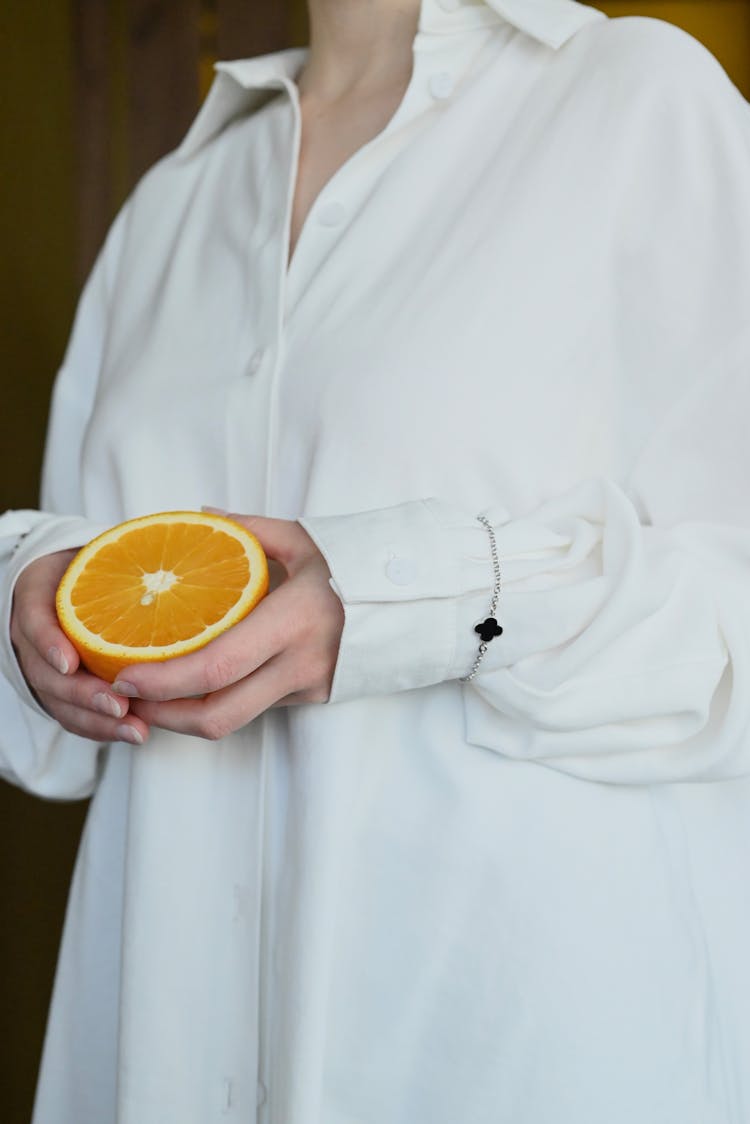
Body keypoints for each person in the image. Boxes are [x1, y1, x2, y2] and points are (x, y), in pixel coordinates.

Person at [2, 0, 750, 1119]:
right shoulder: (173, 202)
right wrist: (30, 583)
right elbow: (59, 721)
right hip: (157, 1051)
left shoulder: (638, 98)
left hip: (516, 1053)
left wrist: (403, 602)